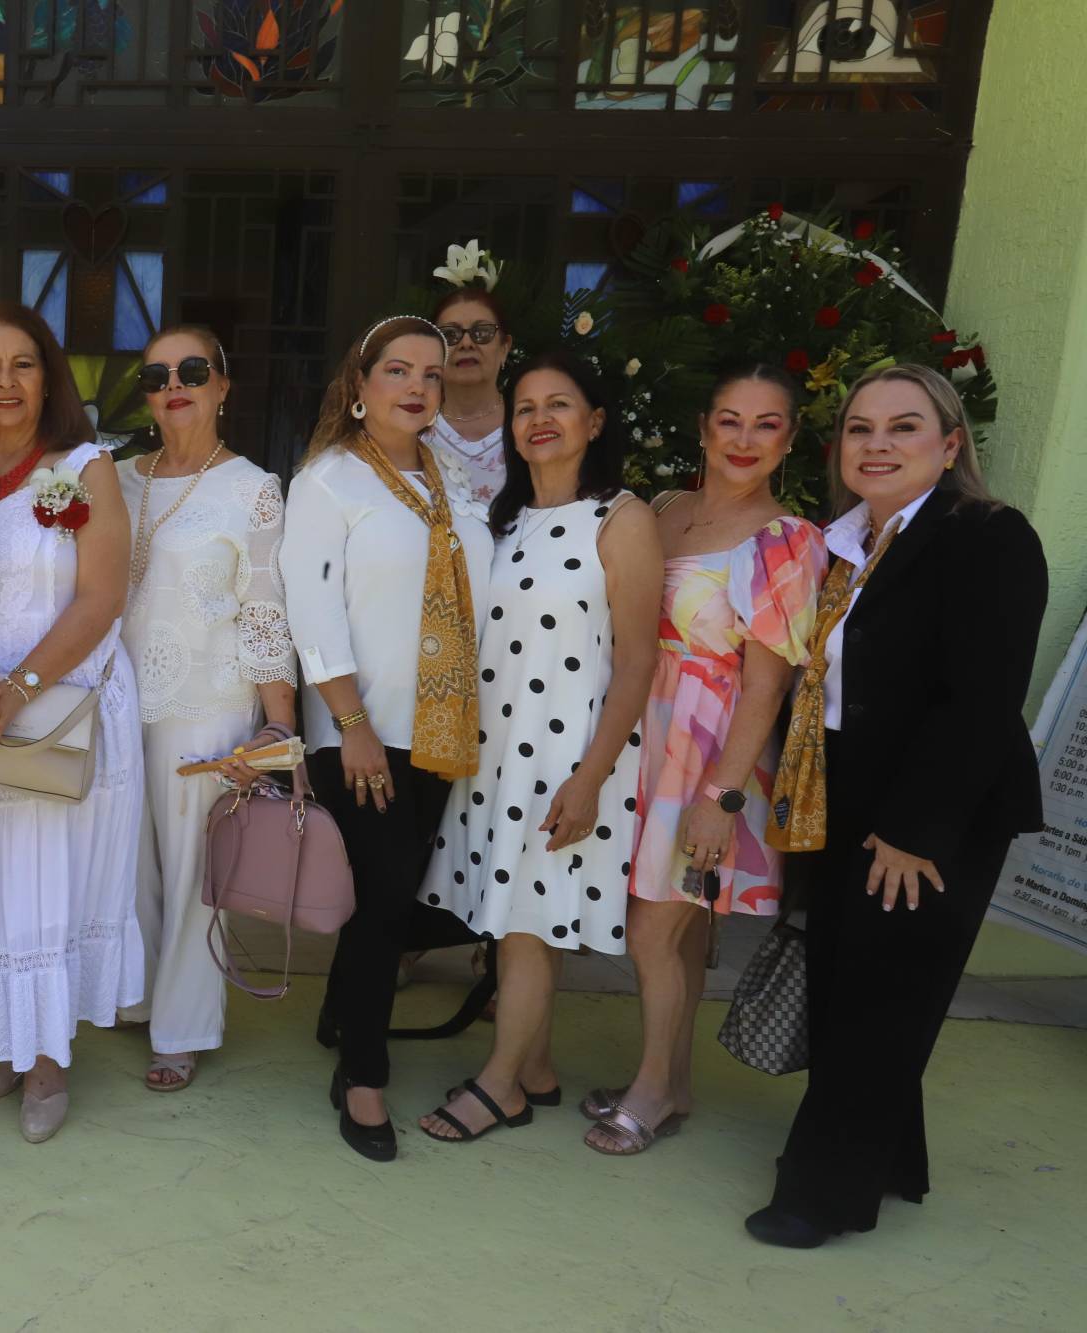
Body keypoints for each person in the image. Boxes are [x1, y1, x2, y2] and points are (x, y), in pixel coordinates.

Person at [747, 364, 1045, 1248]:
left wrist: (919, 831)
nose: (877, 444)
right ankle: (892, 1157)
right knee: (853, 984)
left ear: (950, 445)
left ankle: (822, 1195)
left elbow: (983, 699)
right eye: (860, 429)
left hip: (932, 809)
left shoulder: (985, 536)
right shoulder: (841, 544)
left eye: (904, 427)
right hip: (844, 793)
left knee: (879, 995)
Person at [580, 367, 827, 1155]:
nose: (745, 439)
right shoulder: (659, 512)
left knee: (652, 933)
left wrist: (720, 798)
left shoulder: (788, 539)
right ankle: (673, 1080)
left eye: (765, 424)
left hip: (711, 756)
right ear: (702, 427)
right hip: (641, 739)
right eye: (730, 420)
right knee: (676, 932)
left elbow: (767, 685)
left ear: (789, 439)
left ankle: (650, 1091)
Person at [420, 348, 662, 1146]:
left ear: (594, 422)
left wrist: (592, 778)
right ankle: (538, 1066)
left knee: (527, 922)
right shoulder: (508, 521)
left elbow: (636, 661)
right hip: (499, 754)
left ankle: (500, 1087)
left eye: (560, 405)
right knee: (515, 918)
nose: (541, 420)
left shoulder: (622, 518)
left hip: (569, 759)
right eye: (525, 407)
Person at [278, 315, 493, 1161]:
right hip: (359, 732)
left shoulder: (454, 480)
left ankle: (341, 1014)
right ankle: (363, 1073)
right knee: (386, 899)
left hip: (436, 726)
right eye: (397, 371)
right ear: (358, 387)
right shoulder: (330, 481)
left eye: (432, 376)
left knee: (391, 899)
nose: (417, 387)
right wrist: (352, 726)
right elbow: (311, 606)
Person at [0, 302, 143, 1143]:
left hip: (68, 705)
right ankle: (7, 1034)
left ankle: (48, 1057)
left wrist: (19, 687)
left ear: (49, 375)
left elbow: (102, 596)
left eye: (24, 363)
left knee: (53, 886)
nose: (7, 381)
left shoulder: (85, 467)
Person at [116, 325, 296, 1092]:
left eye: (192, 369)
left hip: (208, 700)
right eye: (155, 374)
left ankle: (183, 1025)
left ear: (224, 384)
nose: (173, 384)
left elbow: (264, 612)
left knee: (196, 868)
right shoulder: (115, 477)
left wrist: (279, 722)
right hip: (118, 700)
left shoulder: (253, 486)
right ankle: (138, 994)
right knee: (126, 860)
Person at [425, 287, 514, 506]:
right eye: (450, 335)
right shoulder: (412, 429)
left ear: (504, 347)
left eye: (482, 333)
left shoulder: (527, 426)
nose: (466, 344)